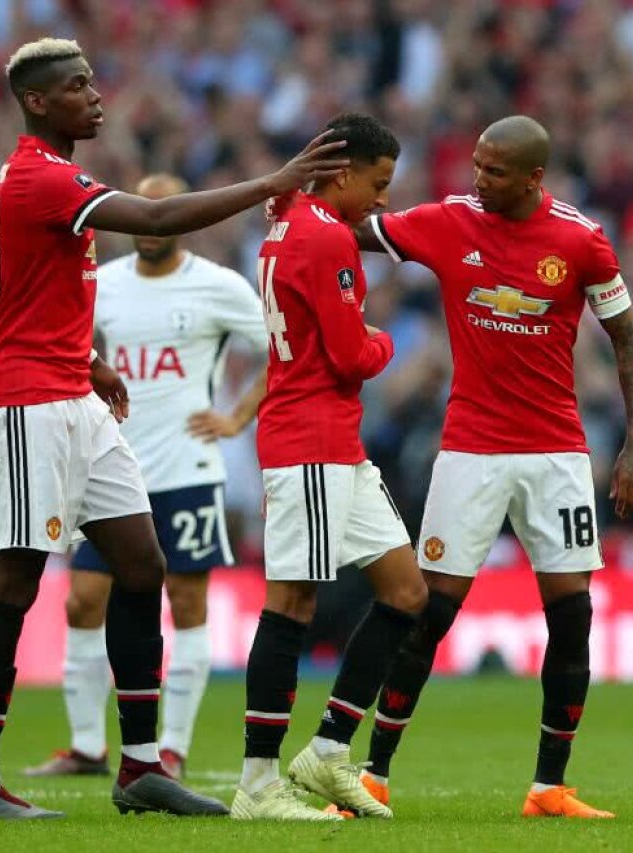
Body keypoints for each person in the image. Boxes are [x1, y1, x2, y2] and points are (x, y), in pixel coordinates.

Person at [0, 37, 347, 820]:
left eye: (92, 81)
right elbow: (159, 215)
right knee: (13, 585)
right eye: (77, 86)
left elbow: (30, 289)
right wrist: (273, 182)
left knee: (141, 564)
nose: (95, 95)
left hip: (73, 392)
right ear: (37, 101)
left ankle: (139, 767)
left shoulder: (53, 176)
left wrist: (88, 359)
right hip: (24, 402)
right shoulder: (39, 176)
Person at [355, 115, 633, 819]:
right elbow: (356, 230)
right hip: (471, 449)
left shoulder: (580, 239)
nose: (479, 180)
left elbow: (628, 340)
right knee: (431, 612)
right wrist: (295, 207)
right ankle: (372, 775)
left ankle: (549, 787)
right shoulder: (449, 221)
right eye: (477, 166)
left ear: (533, 178)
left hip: (556, 454)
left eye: (494, 171)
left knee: (572, 617)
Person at [24, 173, 269, 782]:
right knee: (84, 600)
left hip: (187, 469)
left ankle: (173, 747)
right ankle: (87, 747)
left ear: (182, 217)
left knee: (185, 601)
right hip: (111, 469)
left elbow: (282, 347)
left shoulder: (218, 286)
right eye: (144, 208)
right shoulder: (104, 284)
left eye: (164, 209)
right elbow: (68, 347)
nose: (151, 222)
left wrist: (238, 416)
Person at [229, 113, 427, 822]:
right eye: (378, 182)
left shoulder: (287, 219)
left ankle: (328, 749)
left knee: (406, 591)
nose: (383, 199)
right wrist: (385, 343)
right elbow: (350, 357)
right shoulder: (327, 236)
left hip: (336, 443)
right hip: (308, 439)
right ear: (342, 173)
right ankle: (257, 782)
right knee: (291, 604)